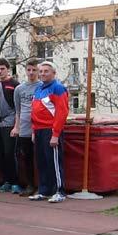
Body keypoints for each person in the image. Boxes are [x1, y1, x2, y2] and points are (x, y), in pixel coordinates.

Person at [29, 61, 69, 203]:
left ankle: (60, 191)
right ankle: (44, 190)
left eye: (46, 71)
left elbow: (62, 112)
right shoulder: (38, 89)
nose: (43, 74)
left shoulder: (58, 88)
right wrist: (34, 131)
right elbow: (34, 111)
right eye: (41, 71)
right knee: (42, 162)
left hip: (51, 130)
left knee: (54, 162)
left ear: (53, 73)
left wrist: (55, 134)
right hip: (39, 130)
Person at [0, 58, 21, 194]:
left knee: (9, 154)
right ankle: (6, 181)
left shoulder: (15, 84)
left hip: (10, 124)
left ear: (8, 69)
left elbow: (19, 108)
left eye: (2, 69)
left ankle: (15, 183)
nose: (0, 71)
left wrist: (16, 126)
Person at [11, 59, 40, 196]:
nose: (31, 72)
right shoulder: (19, 89)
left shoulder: (42, 86)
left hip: (39, 127)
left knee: (40, 157)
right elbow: (18, 110)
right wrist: (16, 127)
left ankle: (42, 185)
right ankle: (30, 184)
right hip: (24, 128)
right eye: (29, 70)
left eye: (34, 70)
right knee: (26, 158)